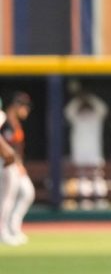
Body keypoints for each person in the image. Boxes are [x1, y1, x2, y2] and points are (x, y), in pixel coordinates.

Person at [64, 85, 109, 209]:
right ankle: (85, 205)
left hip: (95, 154)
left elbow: (102, 108)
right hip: (79, 154)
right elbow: (68, 111)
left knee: (97, 179)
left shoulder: (96, 116)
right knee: (82, 180)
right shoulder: (76, 117)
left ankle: (100, 205)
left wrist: (89, 98)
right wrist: (79, 99)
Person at [0, 92, 35, 246]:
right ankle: (3, 232)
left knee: (27, 192)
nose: (26, 110)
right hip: (4, 163)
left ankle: (13, 227)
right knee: (6, 199)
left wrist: (19, 164)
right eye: (24, 106)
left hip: (14, 163)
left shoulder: (14, 122)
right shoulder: (4, 119)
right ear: (16, 105)